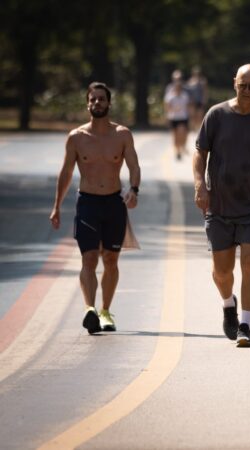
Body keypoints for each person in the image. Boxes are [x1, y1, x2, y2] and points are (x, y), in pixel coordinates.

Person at [193, 64, 250, 348]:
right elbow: (200, 153)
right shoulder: (216, 115)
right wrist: (200, 185)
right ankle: (227, 303)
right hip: (219, 203)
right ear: (234, 83)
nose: (247, 91)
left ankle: (245, 324)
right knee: (222, 271)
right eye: (243, 85)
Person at [50, 82, 141, 334]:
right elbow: (66, 172)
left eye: (101, 99)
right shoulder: (77, 137)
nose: (97, 103)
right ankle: (89, 308)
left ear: (109, 103)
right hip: (88, 203)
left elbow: (134, 166)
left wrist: (133, 190)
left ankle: (105, 311)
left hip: (114, 203)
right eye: (93, 100)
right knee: (89, 257)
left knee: (111, 259)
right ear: (87, 104)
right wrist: (56, 206)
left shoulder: (122, 134)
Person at [164, 71, 191, 160]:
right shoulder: (170, 94)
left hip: (183, 117)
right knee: (175, 136)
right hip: (173, 117)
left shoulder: (185, 95)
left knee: (182, 133)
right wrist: (169, 114)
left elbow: (188, 106)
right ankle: (177, 151)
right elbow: (167, 106)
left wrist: (190, 115)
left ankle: (182, 146)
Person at [186, 66, 208, 131]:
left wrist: (204, 99)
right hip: (192, 101)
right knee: (192, 115)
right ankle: (193, 127)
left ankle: (199, 127)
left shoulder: (203, 81)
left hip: (200, 101)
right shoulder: (190, 81)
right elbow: (189, 92)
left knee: (200, 115)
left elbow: (205, 91)